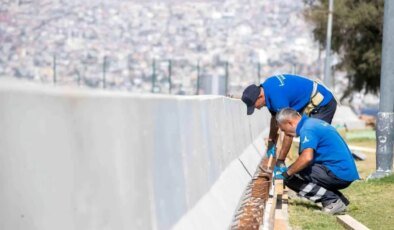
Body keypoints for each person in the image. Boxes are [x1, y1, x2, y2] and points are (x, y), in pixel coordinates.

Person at [241, 74, 337, 178]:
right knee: (306, 151)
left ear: (260, 97)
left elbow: (289, 132)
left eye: (255, 106)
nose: (257, 108)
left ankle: (329, 176)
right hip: (310, 104)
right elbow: (275, 118)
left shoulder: (277, 98)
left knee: (309, 148)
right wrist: (271, 143)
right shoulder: (267, 89)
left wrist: (280, 161)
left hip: (323, 104)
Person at [274, 108, 359, 214]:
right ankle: (338, 198)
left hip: (339, 173)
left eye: (283, 129)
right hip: (343, 171)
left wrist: (286, 174)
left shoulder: (307, 129)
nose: (285, 133)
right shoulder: (311, 123)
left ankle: (331, 201)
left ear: (289, 122)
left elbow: (307, 158)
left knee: (291, 176)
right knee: (295, 170)